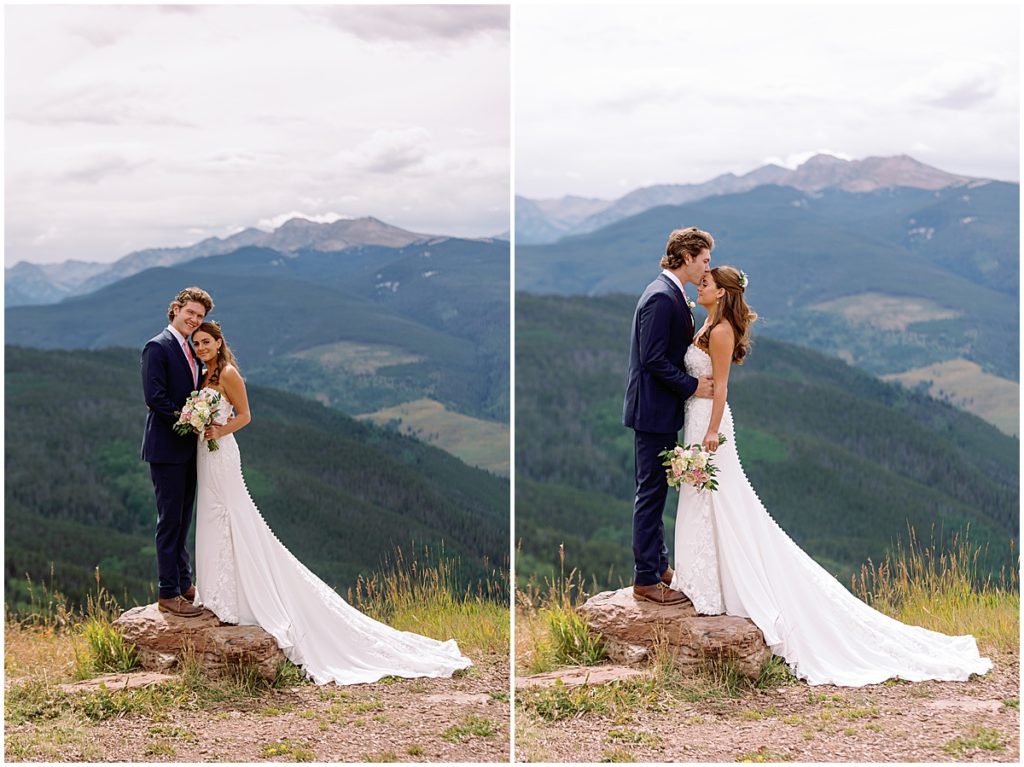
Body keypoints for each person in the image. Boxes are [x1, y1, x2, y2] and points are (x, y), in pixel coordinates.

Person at [671, 266, 992, 686]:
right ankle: (702, 581)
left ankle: (724, 585)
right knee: (703, 497)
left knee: (722, 500)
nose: (700, 284)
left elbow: (724, 387)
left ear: (725, 292)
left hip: (710, 424)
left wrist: (712, 431)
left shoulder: (721, 330)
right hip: (694, 418)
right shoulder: (707, 321)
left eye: (707, 282)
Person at [188, 321, 472, 685]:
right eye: (196, 343)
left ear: (219, 341)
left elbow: (245, 416)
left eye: (206, 342)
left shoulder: (227, 373)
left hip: (221, 451)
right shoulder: (204, 373)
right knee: (212, 517)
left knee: (233, 516)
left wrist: (218, 430)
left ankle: (244, 597)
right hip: (205, 454)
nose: (201, 347)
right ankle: (217, 594)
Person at [623, 227, 715, 605]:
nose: (707, 267)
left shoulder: (670, 294)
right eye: (705, 259)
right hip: (653, 411)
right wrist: (693, 387)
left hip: (660, 410)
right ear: (687, 256)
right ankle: (645, 579)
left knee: (657, 490)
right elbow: (653, 359)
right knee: (650, 493)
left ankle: (659, 565)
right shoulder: (662, 298)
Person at [141, 287, 214, 618]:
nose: (195, 320)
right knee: (169, 521)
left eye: (200, 317)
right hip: (166, 448)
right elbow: (155, 398)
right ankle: (168, 593)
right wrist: (188, 418)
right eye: (191, 313)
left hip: (189, 449)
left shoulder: (192, 347)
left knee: (184, 519)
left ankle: (184, 584)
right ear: (176, 309)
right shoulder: (158, 346)